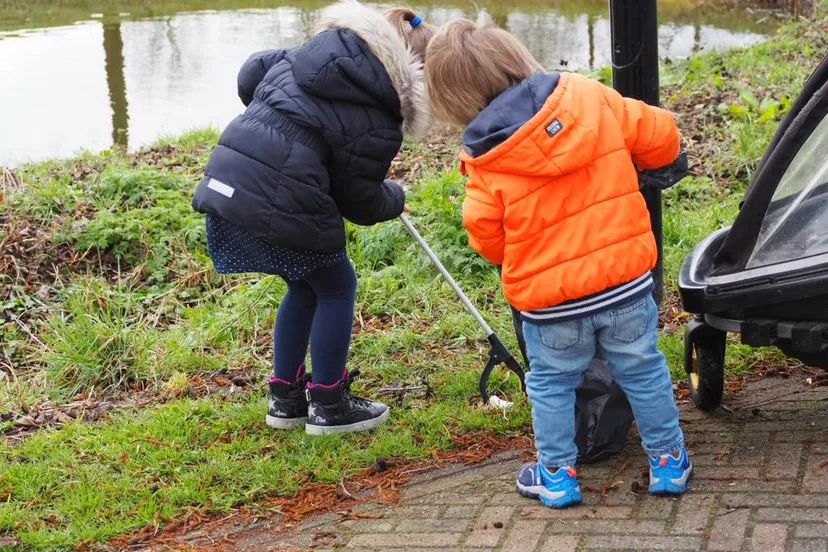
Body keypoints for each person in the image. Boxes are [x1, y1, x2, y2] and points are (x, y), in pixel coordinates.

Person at [425, 20, 691, 507]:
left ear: (453, 97)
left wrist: (524, 255)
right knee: (643, 369)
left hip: (550, 305)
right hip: (624, 283)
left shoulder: (484, 157)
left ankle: (557, 475)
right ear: (514, 55)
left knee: (549, 384)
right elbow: (661, 134)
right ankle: (669, 463)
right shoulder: (590, 97)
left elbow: (486, 235)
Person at [192, 0, 433, 435]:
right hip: (277, 194)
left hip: (228, 176)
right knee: (338, 285)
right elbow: (359, 200)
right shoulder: (379, 111)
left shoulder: (313, 54)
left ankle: (284, 398)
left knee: (305, 284)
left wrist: (279, 117)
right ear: (413, 68)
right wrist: (394, 198)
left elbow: (252, 69)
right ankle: (329, 403)